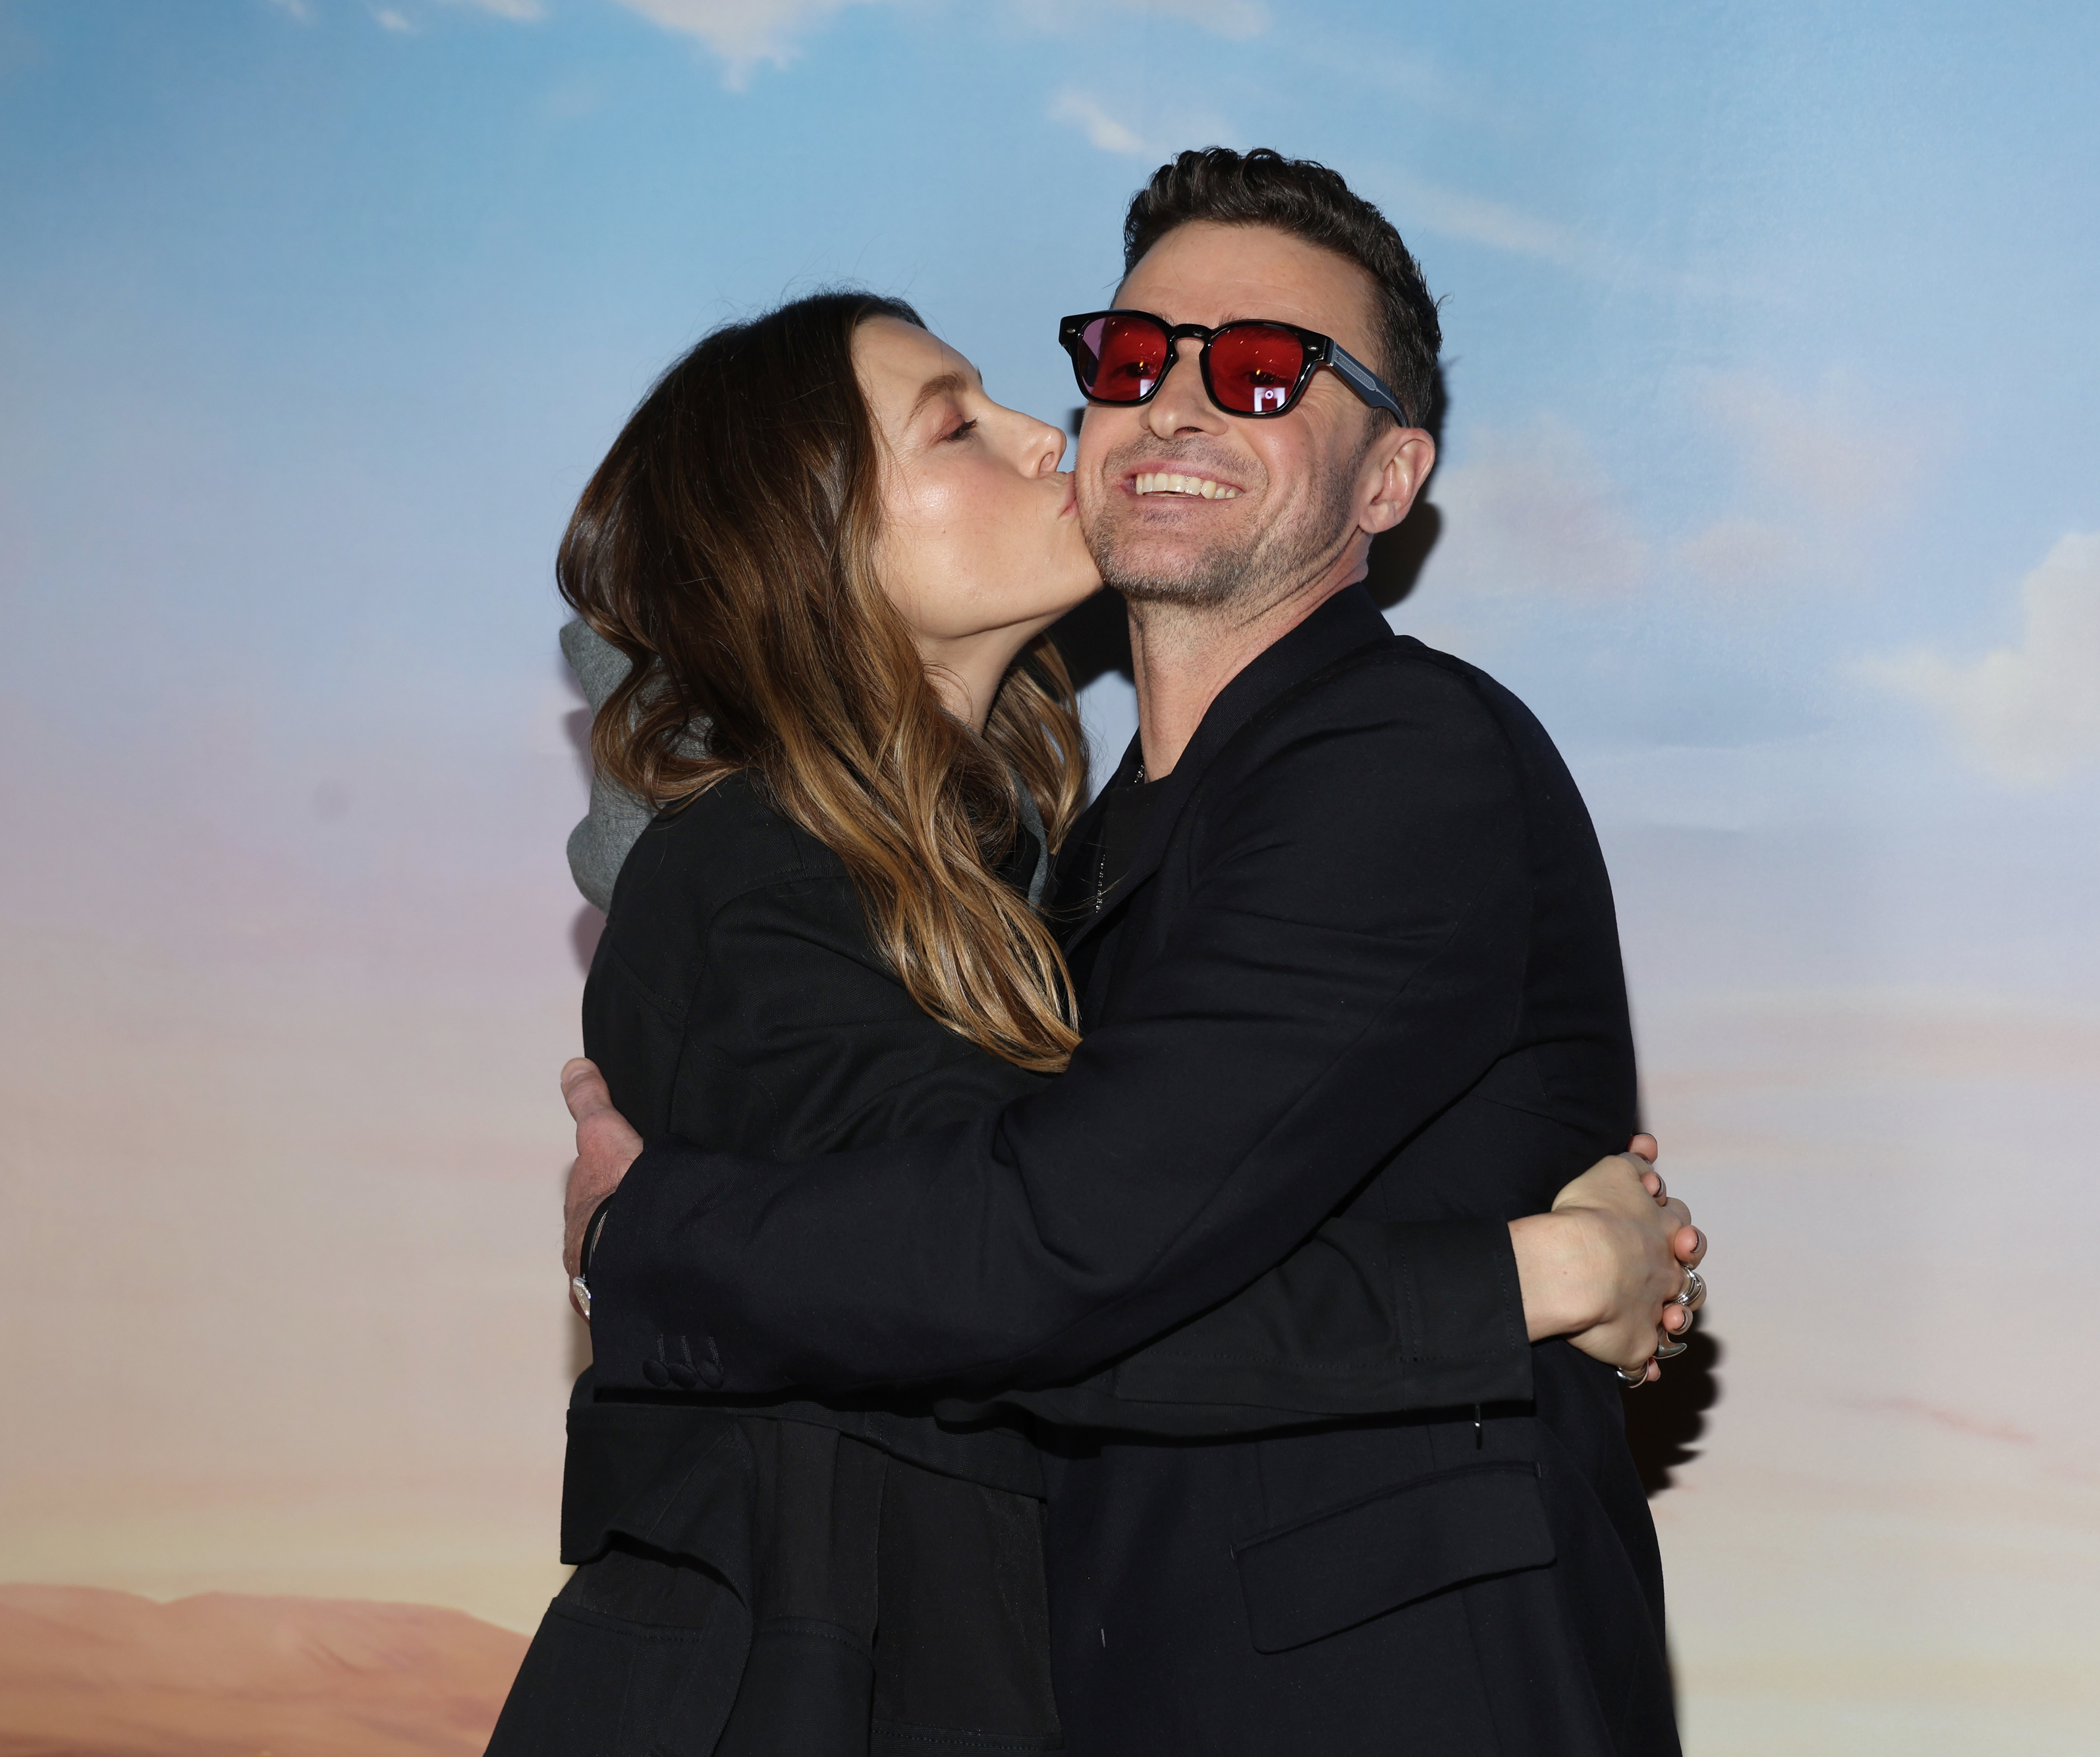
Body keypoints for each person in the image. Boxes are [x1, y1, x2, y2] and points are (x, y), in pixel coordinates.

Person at [555, 152, 1701, 1755]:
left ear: (1386, 480)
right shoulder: (1032, 879)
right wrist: (1548, 1271)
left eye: (1260, 370)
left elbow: (1048, 1267)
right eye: (1128, 357)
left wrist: (653, 1239)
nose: (1167, 404)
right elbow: (1043, 1279)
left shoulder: (1395, 755)